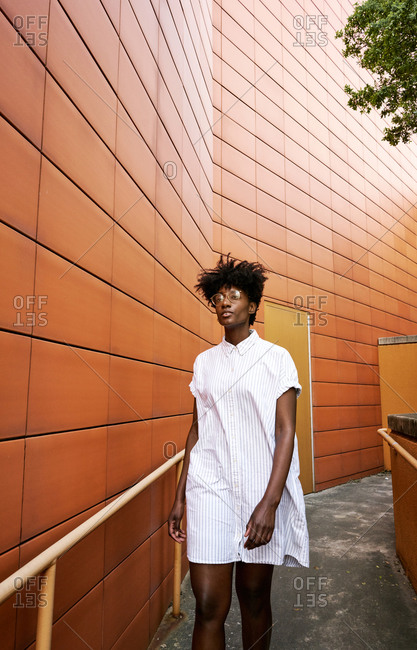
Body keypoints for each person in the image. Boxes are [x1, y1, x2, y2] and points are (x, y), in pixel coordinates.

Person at [168, 255, 309, 649]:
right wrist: (180, 496)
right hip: (208, 490)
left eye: (235, 294)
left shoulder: (276, 359)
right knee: (208, 605)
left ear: (253, 304)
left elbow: (286, 432)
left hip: (257, 491)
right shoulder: (204, 363)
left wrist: (270, 502)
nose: (225, 302)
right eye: (218, 297)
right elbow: (197, 430)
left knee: (253, 598)